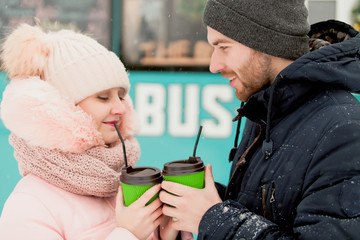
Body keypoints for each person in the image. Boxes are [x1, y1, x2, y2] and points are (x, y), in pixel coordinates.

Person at [159, 0, 360, 239]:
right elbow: (268, 210)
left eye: (224, 47)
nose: (214, 65)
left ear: (266, 42)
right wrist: (199, 201)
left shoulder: (344, 130)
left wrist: (211, 217)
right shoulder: (267, 107)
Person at [0, 23, 191, 240]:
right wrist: (128, 235)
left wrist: (167, 235)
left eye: (121, 95)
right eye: (103, 97)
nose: (121, 108)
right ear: (61, 108)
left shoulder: (120, 180)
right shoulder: (30, 205)